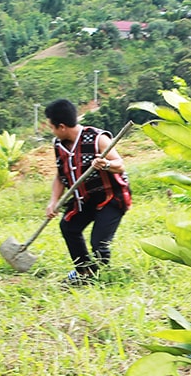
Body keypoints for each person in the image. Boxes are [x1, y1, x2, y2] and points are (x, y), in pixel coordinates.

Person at [45, 98, 130, 284]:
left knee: (99, 243)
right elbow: (61, 175)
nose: (52, 131)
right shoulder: (58, 145)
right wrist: (53, 201)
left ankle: (101, 276)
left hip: (111, 197)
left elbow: (120, 165)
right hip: (84, 198)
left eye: (51, 127)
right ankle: (84, 272)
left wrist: (106, 164)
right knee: (68, 226)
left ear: (61, 127)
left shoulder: (98, 139)